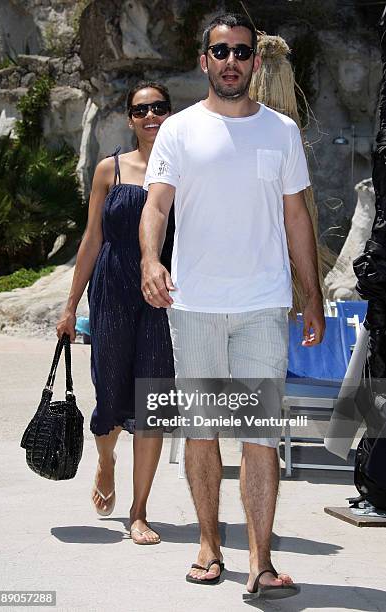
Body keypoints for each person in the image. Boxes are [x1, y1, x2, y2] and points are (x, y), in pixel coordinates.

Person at [139, 12, 325, 599]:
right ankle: (208, 545)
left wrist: (311, 295)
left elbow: (297, 217)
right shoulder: (178, 131)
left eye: (242, 52)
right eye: (221, 52)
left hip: (263, 306)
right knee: (200, 431)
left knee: (259, 434)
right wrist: (150, 260)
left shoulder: (281, 132)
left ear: (255, 61)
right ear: (204, 60)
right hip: (192, 305)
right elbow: (158, 206)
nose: (231, 61)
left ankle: (261, 563)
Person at [56, 81, 174, 545]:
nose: (150, 116)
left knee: (154, 402)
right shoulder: (111, 170)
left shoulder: (184, 170)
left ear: (170, 113)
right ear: (129, 118)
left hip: (164, 299)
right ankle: (106, 461)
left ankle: (139, 511)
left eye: (159, 108)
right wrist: (69, 307)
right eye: (141, 110)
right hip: (112, 293)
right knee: (110, 393)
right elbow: (91, 240)